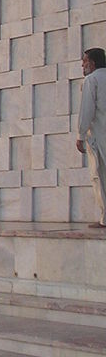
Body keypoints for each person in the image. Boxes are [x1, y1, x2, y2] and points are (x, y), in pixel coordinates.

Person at [78, 47, 106, 228]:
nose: (82, 65)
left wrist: (80, 134)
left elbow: (87, 110)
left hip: (99, 136)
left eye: (84, 62)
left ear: (92, 63)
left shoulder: (91, 80)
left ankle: (105, 218)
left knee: (99, 175)